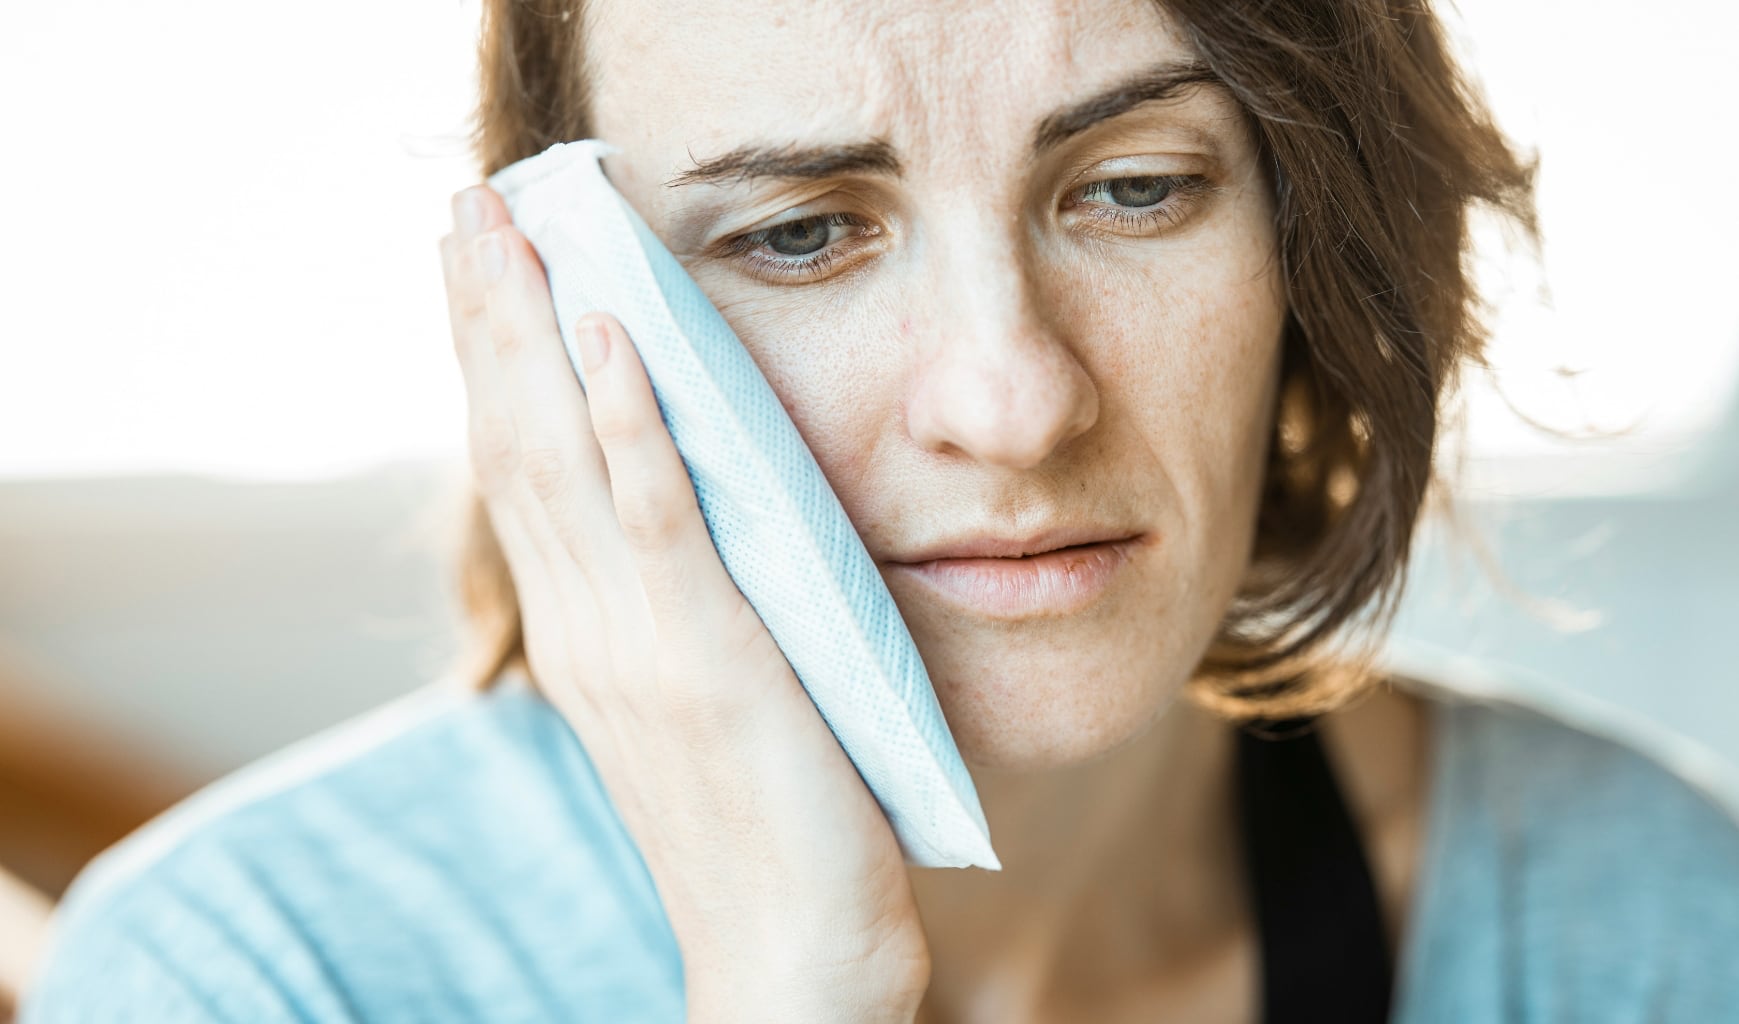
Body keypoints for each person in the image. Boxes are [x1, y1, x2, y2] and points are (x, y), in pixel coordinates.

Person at [19, 0, 1739, 1020]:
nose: (1012, 397)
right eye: (800, 234)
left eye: (1137, 190)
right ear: (559, 308)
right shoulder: (254, 976)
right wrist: (795, 985)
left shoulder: (1643, 916)